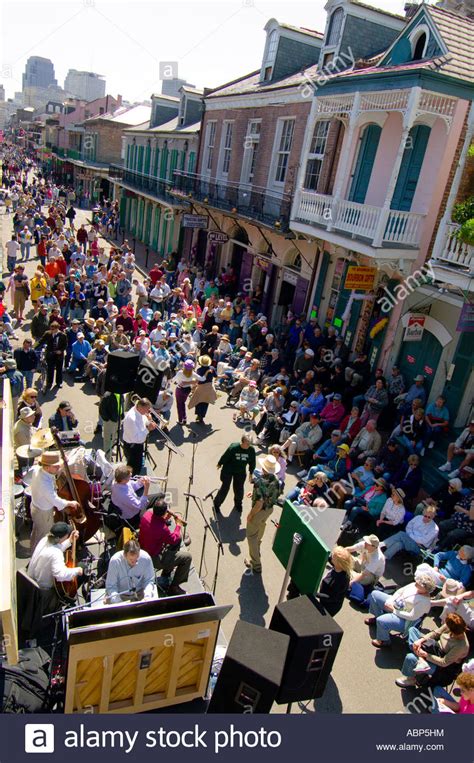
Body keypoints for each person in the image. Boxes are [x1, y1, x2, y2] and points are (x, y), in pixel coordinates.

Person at [395, 613, 470, 688]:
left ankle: (411, 679)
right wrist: (421, 640)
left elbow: (444, 662)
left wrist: (425, 655)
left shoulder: (461, 646)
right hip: (434, 647)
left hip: (441, 667)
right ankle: (421, 660)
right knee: (412, 630)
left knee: (410, 657)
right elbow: (436, 633)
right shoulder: (450, 625)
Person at [139, 494, 192, 596]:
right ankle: (174, 587)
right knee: (187, 558)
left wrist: (163, 519)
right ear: (163, 513)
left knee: (178, 541)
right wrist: (178, 525)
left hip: (143, 549)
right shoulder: (162, 528)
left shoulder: (147, 514)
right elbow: (173, 539)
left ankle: (167, 572)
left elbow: (155, 526)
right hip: (153, 557)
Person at [365, 572, 436, 648]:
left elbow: (412, 616)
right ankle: (379, 620)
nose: (416, 582)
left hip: (405, 620)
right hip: (396, 605)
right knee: (375, 594)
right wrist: (391, 601)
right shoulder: (414, 585)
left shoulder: (424, 602)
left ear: (425, 589)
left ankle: (384, 640)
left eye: (419, 583)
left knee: (381, 620)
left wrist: (394, 611)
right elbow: (399, 592)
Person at [29, 451, 80, 553]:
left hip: (36, 507)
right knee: (42, 537)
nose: (58, 468)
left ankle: (33, 550)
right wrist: (70, 503)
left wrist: (63, 462)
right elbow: (55, 500)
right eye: (56, 466)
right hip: (43, 513)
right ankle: (37, 555)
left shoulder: (39, 469)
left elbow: (55, 469)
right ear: (47, 467)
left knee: (36, 532)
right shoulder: (44, 483)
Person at [28, 522, 83, 613]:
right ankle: (62, 601)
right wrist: (77, 570)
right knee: (81, 568)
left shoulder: (45, 540)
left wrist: (69, 541)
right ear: (60, 538)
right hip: (44, 591)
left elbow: (56, 547)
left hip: (33, 582)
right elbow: (60, 575)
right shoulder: (55, 554)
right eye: (67, 535)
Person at [245, 454, 281, 574]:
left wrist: (250, 514)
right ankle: (258, 546)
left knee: (251, 537)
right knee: (261, 526)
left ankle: (256, 564)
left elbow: (259, 503)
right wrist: (254, 493)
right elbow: (273, 494)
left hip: (259, 511)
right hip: (269, 509)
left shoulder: (259, 481)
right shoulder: (276, 480)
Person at [214, 434, 256, 516]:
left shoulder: (251, 450)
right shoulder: (234, 448)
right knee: (225, 488)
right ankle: (216, 504)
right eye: (247, 443)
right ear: (242, 442)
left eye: (250, 443)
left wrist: (251, 473)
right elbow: (225, 456)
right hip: (228, 469)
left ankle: (238, 503)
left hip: (240, 471)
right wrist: (220, 463)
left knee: (239, 489)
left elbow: (252, 462)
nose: (249, 445)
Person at [105, 539, 156, 604]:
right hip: (120, 595)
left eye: (137, 558)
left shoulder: (146, 558)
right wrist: (118, 602)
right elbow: (111, 586)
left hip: (140, 593)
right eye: (131, 559)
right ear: (125, 555)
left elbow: (149, 581)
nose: (134, 562)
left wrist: (147, 596)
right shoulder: (115, 561)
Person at [122, 397, 158, 475]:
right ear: (141, 407)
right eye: (147, 409)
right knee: (134, 469)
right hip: (133, 447)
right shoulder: (132, 418)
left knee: (136, 467)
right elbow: (137, 438)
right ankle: (132, 484)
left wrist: (149, 420)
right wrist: (148, 429)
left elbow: (143, 421)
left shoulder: (139, 411)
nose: (148, 412)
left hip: (136, 445)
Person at [110, 465, 151, 530]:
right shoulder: (125, 495)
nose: (131, 475)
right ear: (123, 480)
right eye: (129, 476)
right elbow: (140, 506)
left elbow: (133, 486)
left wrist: (140, 482)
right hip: (132, 515)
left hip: (131, 502)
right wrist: (146, 488)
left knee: (155, 496)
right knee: (155, 500)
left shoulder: (116, 482)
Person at [317, 546, 353, 616]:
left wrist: (315, 594)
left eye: (333, 556)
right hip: (324, 599)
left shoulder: (341, 580)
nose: (331, 557)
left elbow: (331, 597)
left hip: (330, 607)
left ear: (338, 562)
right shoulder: (339, 567)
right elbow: (329, 559)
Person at [35, 320, 68, 389]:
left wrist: (61, 350)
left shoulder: (63, 335)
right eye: (51, 329)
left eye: (53, 329)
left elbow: (65, 345)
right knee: (50, 369)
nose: (51, 330)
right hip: (50, 354)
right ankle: (49, 382)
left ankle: (59, 382)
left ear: (57, 328)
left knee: (59, 369)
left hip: (59, 355)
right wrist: (34, 347)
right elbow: (41, 341)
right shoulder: (47, 333)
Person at [188, 354, 217, 424]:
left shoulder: (199, 370)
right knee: (205, 403)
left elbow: (198, 380)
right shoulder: (212, 368)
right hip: (209, 388)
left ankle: (198, 415)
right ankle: (202, 417)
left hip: (201, 388)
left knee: (198, 401)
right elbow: (216, 376)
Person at [173, 359, 200, 425]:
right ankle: (184, 418)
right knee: (183, 403)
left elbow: (174, 380)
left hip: (180, 389)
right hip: (188, 390)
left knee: (179, 405)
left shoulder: (180, 372)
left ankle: (180, 420)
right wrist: (189, 382)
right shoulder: (193, 373)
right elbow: (197, 381)